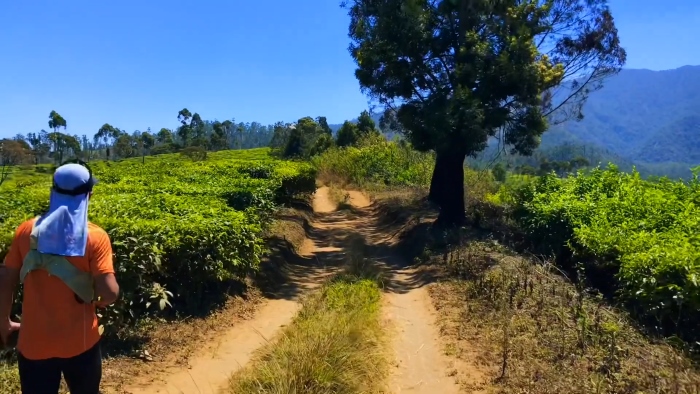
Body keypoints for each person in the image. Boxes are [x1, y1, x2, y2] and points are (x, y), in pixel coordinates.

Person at [0, 160, 120, 394]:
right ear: (89, 194)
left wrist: (3, 320)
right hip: (82, 342)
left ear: (52, 191)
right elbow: (110, 292)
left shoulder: (26, 231)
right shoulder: (95, 237)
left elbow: (5, 280)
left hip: (33, 344)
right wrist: (99, 300)